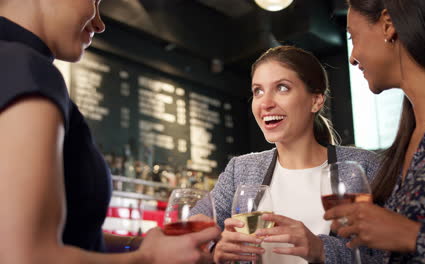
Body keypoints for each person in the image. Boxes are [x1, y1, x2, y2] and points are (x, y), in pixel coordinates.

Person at [0, 0, 219, 263]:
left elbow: (72, 237)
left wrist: (137, 245)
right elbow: (29, 257)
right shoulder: (28, 68)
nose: (100, 23)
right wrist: (150, 259)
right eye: (94, 1)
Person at [191, 45, 381, 264]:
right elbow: (192, 230)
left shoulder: (363, 166)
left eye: (282, 88)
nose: (266, 103)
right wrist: (214, 252)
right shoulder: (241, 170)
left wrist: (320, 249)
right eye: (258, 91)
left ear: (316, 100)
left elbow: (391, 255)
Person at [324, 0, 425, 263]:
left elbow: (407, 239)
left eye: (353, 37)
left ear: (388, 25)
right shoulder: (410, 133)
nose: (352, 57)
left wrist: (412, 236)